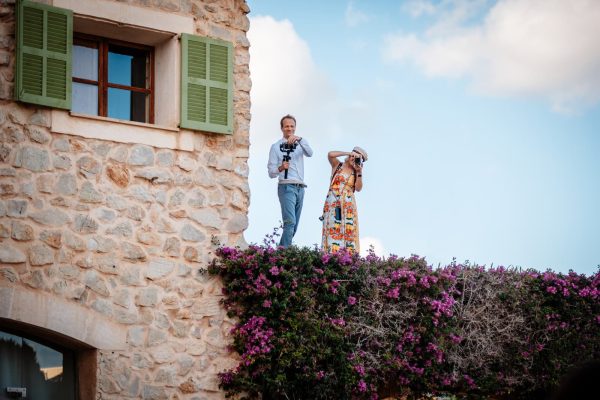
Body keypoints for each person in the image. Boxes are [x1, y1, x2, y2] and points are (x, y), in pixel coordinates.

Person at [268, 114, 314, 247]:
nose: (289, 128)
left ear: (295, 128)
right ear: (282, 128)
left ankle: (281, 251)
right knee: (290, 222)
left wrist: (300, 139)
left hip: (300, 187)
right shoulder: (276, 147)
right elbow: (271, 172)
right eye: (286, 126)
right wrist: (281, 167)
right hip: (286, 187)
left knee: (294, 226)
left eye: (292, 126)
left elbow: (310, 153)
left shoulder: (300, 144)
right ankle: (283, 255)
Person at [321, 146, 367, 253]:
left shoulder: (356, 173)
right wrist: (348, 153)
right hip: (333, 202)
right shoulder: (338, 165)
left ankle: (347, 256)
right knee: (332, 227)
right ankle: (330, 253)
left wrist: (359, 171)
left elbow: (359, 188)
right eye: (353, 155)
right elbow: (330, 154)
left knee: (348, 229)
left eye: (358, 158)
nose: (353, 159)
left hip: (348, 205)